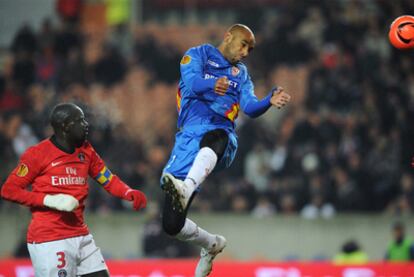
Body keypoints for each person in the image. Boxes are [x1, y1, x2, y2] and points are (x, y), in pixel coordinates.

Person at [160, 24, 291, 277]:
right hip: (188, 138)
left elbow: (250, 107)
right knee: (171, 225)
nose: (246, 52)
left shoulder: (241, 75)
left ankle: (186, 187)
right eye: (243, 44)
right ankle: (211, 244)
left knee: (216, 136)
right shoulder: (197, 55)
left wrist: (268, 100)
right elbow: (192, 82)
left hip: (221, 135)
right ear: (228, 37)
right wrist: (213, 85)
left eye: (250, 49)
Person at [0, 103, 147, 277]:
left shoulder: (86, 150)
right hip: (50, 239)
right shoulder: (37, 154)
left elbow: (107, 179)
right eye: (80, 120)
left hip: (80, 234)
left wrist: (127, 192)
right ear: (65, 126)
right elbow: (8, 190)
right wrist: (49, 200)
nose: (86, 124)